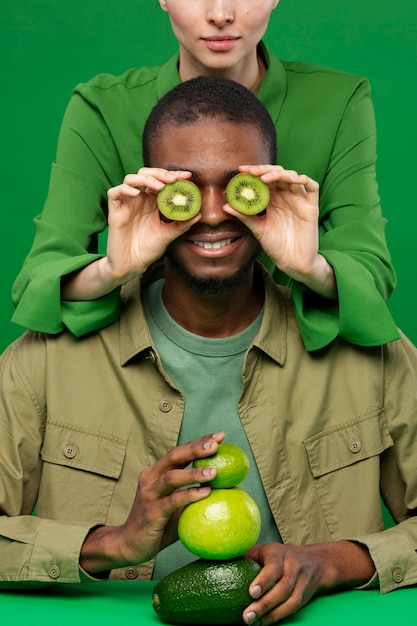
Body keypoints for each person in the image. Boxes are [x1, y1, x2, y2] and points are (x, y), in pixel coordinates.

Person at [1, 76, 417, 624]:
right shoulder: (45, 359)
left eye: (239, 186)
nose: (216, 213)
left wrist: (333, 562)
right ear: (152, 194)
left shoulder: (372, 353)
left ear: (272, 188)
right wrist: (114, 544)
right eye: (188, 190)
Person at [10, 0, 399, 352]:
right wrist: (114, 269)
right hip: (146, 351)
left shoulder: (338, 101)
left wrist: (308, 267)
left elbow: (370, 276)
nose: (220, 14)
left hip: (296, 360)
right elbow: (39, 282)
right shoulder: (104, 107)